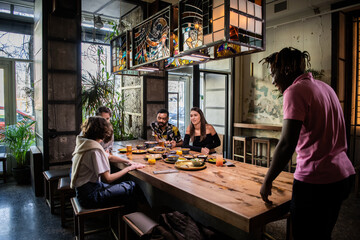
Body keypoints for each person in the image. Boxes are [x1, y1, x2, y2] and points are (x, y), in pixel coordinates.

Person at [259, 47, 355, 240]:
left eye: (272, 73)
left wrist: (268, 180)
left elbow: (287, 143)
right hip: (342, 176)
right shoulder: (325, 88)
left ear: (285, 70)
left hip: (316, 181)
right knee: (322, 234)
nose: (272, 80)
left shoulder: (295, 91)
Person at [70, 116, 145, 209]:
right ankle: (141, 216)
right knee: (132, 186)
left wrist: (128, 161)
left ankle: (127, 217)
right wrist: (129, 168)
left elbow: (109, 157)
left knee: (124, 187)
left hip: (83, 192)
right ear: (102, 131)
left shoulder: (85, 144)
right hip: (90, 196)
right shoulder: (94, 150)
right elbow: (108, 179)